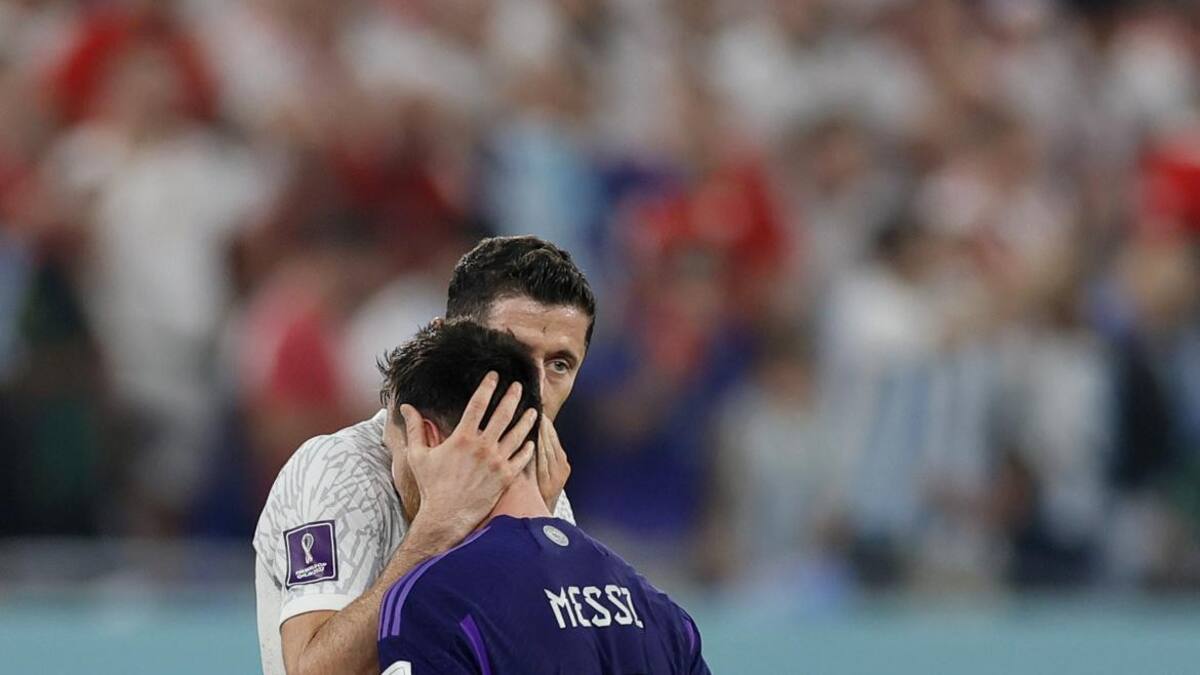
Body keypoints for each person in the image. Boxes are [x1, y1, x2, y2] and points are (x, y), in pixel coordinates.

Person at [254, 236, 596, 675]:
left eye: (560, 365)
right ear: (448, 341)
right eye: (512, 351)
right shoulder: (338, 469)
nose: (534, 388)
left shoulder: (547, 496)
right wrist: (437, 531)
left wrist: (532, 536)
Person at [377, 320, 710, 674]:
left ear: (426, 438)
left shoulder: (434, 601)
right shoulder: (663, 617)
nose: (392, 473)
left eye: (392, 452)